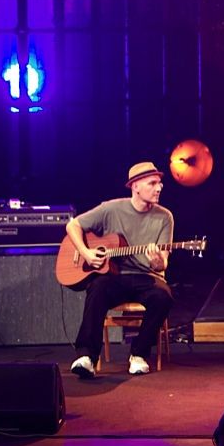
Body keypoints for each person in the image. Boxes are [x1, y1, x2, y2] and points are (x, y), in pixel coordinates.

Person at [69, 162, 175, 379]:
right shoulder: (111, 209)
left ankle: (138, 354)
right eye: (152, 183)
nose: (159, 188)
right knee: (97, 288)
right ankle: (87, 356)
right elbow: (73, 225)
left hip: (147, 277)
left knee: (163, 297)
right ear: (135, 186)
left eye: (160, 183)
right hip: (115, 276)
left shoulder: (165, 217)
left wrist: (157, 262)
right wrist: (86, 252)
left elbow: (162, 263)